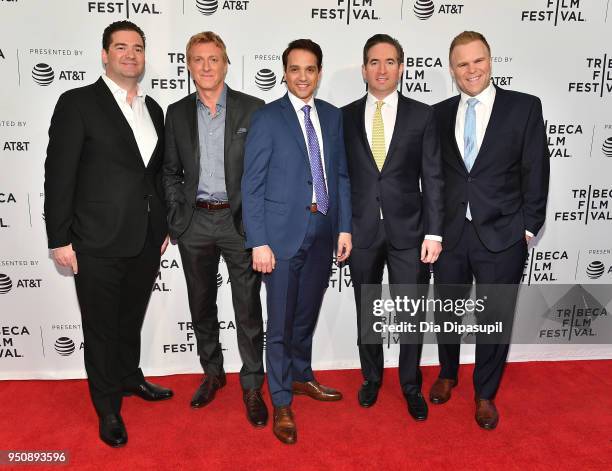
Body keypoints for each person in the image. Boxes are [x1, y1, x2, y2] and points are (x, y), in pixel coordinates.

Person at [44, 20, 173, 448]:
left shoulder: (153, 108)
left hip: (145, 238)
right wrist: (59, 238)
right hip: (94, 240)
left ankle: (129, 377)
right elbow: (58, 175)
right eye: (121, 47)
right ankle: (107, 406)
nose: (130, 55)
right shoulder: (78, 103)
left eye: (137, 48)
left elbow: (154, 177)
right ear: (105, 54)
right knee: (100, 327)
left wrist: (166, 224)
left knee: (129, 319)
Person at [431, 31, 549, 430]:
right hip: (450, 233)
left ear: (490, 60)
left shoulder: (523, 108)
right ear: (452, 69)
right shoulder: (439, 113)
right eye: (462, 64)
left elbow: (536, 170)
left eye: (477, 60)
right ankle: (448, 373)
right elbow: (436, 177)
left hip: (503, 234)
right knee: (446, 310)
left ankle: (485, 393)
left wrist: (529, 227)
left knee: (494, 319)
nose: (471, 70)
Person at [241, 39, 352, 445]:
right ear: (284, 72)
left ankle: (302, 377)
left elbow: (339, 176)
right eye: (294, 69)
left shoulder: (333, 117)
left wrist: (343, 227)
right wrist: (259, 241)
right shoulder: (267, 118)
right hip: (280, 238)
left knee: (305, 316)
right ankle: (282, 398)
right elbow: (251, 185)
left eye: (310, 69)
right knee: (281, 325)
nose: (302, 77)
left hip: (323, 234)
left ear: (319, 73)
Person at [162, 31, 267, 427]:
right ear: (188, 65)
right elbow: (170, 171)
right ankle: (212, 372)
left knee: (247, 308)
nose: (206, 66)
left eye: (213, 59)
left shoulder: (252, 109)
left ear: (226, 63)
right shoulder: (176, 112)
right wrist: (177, 218)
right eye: (198, 59)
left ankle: (253, 384)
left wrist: (258, 224)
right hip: (195, 223)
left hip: (238, 223)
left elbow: (261, 174)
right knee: (201, 304)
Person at [342, 34, 444, 420]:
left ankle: (410, 384)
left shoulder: (423, 114)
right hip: (362, 230)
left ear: (401, 67)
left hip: (410, 232)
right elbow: (342, 178)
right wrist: (343, 228)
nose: (381, 69)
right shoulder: (346, 115)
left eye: (389, 62)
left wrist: (434, 232)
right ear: (364, 68)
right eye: (373, 62)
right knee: (366, 310)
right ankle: (371, 378)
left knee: (411, 313)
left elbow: (433, 177)